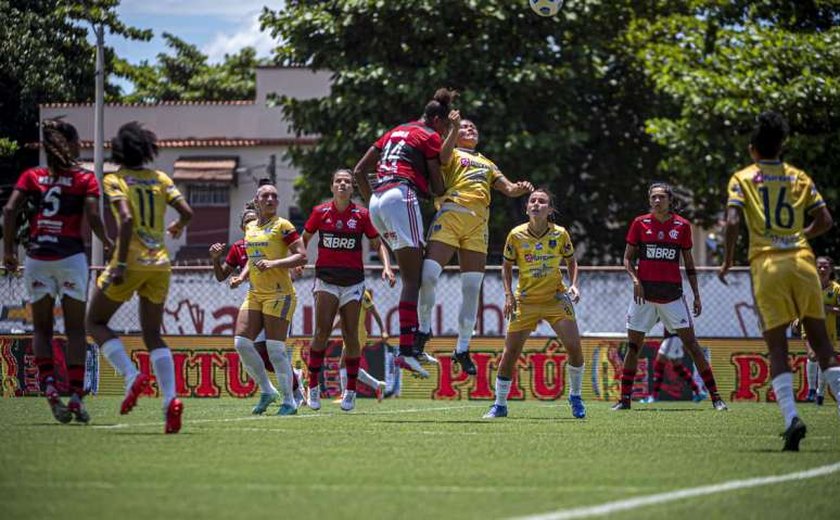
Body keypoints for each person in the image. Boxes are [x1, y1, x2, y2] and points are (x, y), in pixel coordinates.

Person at [720, 111, 840, 451]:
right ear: (781, 146)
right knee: (823, 346)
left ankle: (791, 418)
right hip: (803, 262)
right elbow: (826, 220)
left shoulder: (743, 178)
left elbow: (731, 221)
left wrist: (729, 260)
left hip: (768, 264)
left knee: (777, 347)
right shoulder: (797, 176)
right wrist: (801, 235)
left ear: (752, 150)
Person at [86, 122, 193, 434]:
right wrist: (177, 227)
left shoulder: (114, 179)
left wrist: (118, 263)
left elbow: (128, 218)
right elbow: (187, 211)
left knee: (94, 323)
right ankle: (171, 400)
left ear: (118, 150)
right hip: (159, 264)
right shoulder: (160, 178)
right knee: (152, 334)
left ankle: (132, 376)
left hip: (129, 262)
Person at [3, 119, 112, 424]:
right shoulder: (84, 179)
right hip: (71, 257)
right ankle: (76, 396)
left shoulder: (32, 176)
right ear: (73, 145)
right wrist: (109, 242)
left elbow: (10, 210)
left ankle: (50, 387)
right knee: (76, 330)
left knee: (41, 329)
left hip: (38, 257)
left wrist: (9, 251)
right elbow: (93, 216)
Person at [417, 110, 533, 374]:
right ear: (454, 133)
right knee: (428, 275)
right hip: (451, 215)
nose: (470, 130)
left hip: (478, 225)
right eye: (465, 127)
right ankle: (423, 329)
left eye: (473, 128)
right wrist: (453, 129)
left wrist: (520, 187)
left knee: (471, 289)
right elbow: (442, 158)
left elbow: (508, 188)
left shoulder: (488, 163)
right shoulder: (452, 151)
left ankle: (462, 348)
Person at [353, 88, 451, 374]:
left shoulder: (395, 130)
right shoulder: (428, 135)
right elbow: (438, 185)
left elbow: (360, 170)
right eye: (444, 127)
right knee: (413, 278)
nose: (444, 133)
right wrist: (444, 189)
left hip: (378, 201)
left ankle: (412, 347)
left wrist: (372, 202)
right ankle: (407, 349)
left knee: (414, 273)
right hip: (400, 195)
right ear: (436, 119)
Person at [616, 182, 727, 412]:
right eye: (654, 197)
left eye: (662, 198)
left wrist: (696, 295)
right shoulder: (639, 223)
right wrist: (635, 280)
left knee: (693, 346)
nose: (657, 201)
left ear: (670, 200)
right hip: (644, 297)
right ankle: (624, 400)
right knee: (633, 348)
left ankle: (716, 398)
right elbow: (627, 259)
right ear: (649, 200)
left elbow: (688, 263)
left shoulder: (682, 226)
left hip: (673, 297)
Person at [484, 188, 586, 419]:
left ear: (550, 209)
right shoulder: (516, 235)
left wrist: (574, 284)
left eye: (542, 201)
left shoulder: (560, 234)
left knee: (574, 348)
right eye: (533, 201)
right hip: (526, 301)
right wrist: (508, 295)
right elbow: (507, 266)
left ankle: (576, 396)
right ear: (527, 207)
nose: (536, 204)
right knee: (510, 353)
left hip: (555, 299)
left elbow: (572, 262)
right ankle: (499, 405)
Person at [302, 169, 395, 412]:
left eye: (347, 181)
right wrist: (298, 260)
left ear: (352, 188)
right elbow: (303, 239)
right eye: (338, 181)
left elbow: (378, 243)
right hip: (326, 280)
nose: (342, 184)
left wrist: (386, 266)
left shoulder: (362, 215)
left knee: (351, 335)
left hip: (353, 283)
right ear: (332, 186)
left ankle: (350, 391)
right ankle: (312, 387)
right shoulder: (319, 212)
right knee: (321, 331)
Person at [209, 205, 305, 413]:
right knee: (243, 345)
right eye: (247, 221)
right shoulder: (238, 246)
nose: (251, 223)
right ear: (242, 226)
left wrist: (287, 266)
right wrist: (217, 260)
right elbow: (224, 275)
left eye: (254, 219)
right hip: (256, 297)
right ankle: (269, 390)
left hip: (278, 297)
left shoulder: (272, 235)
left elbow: (295, 255)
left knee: (273, 353)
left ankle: (293, 395)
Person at [333, 289, 390, 402]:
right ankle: (377, 385)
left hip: (358, 334)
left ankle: (345, 394)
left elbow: (374, 312)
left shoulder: (362, 293)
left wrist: (383, 330)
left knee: (344, 363)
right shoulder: (343, 292)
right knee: (350, 365)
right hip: (348, 333)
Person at [796, 256, 840, 405]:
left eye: (825, 267)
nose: (822, 269)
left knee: (824, 361)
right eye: (819, 266)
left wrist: (826, 308)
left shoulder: (836, 289)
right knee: (812, 355)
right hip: (809, 327)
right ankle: (811, 391)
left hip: (828, 330)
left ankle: (820, 394)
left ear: (831, 269)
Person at [640, 328, 708, 404]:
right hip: (675, 338)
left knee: (658, 366)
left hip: (672, 338)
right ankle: (698, 391)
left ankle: (653, 396)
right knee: (678, 368)